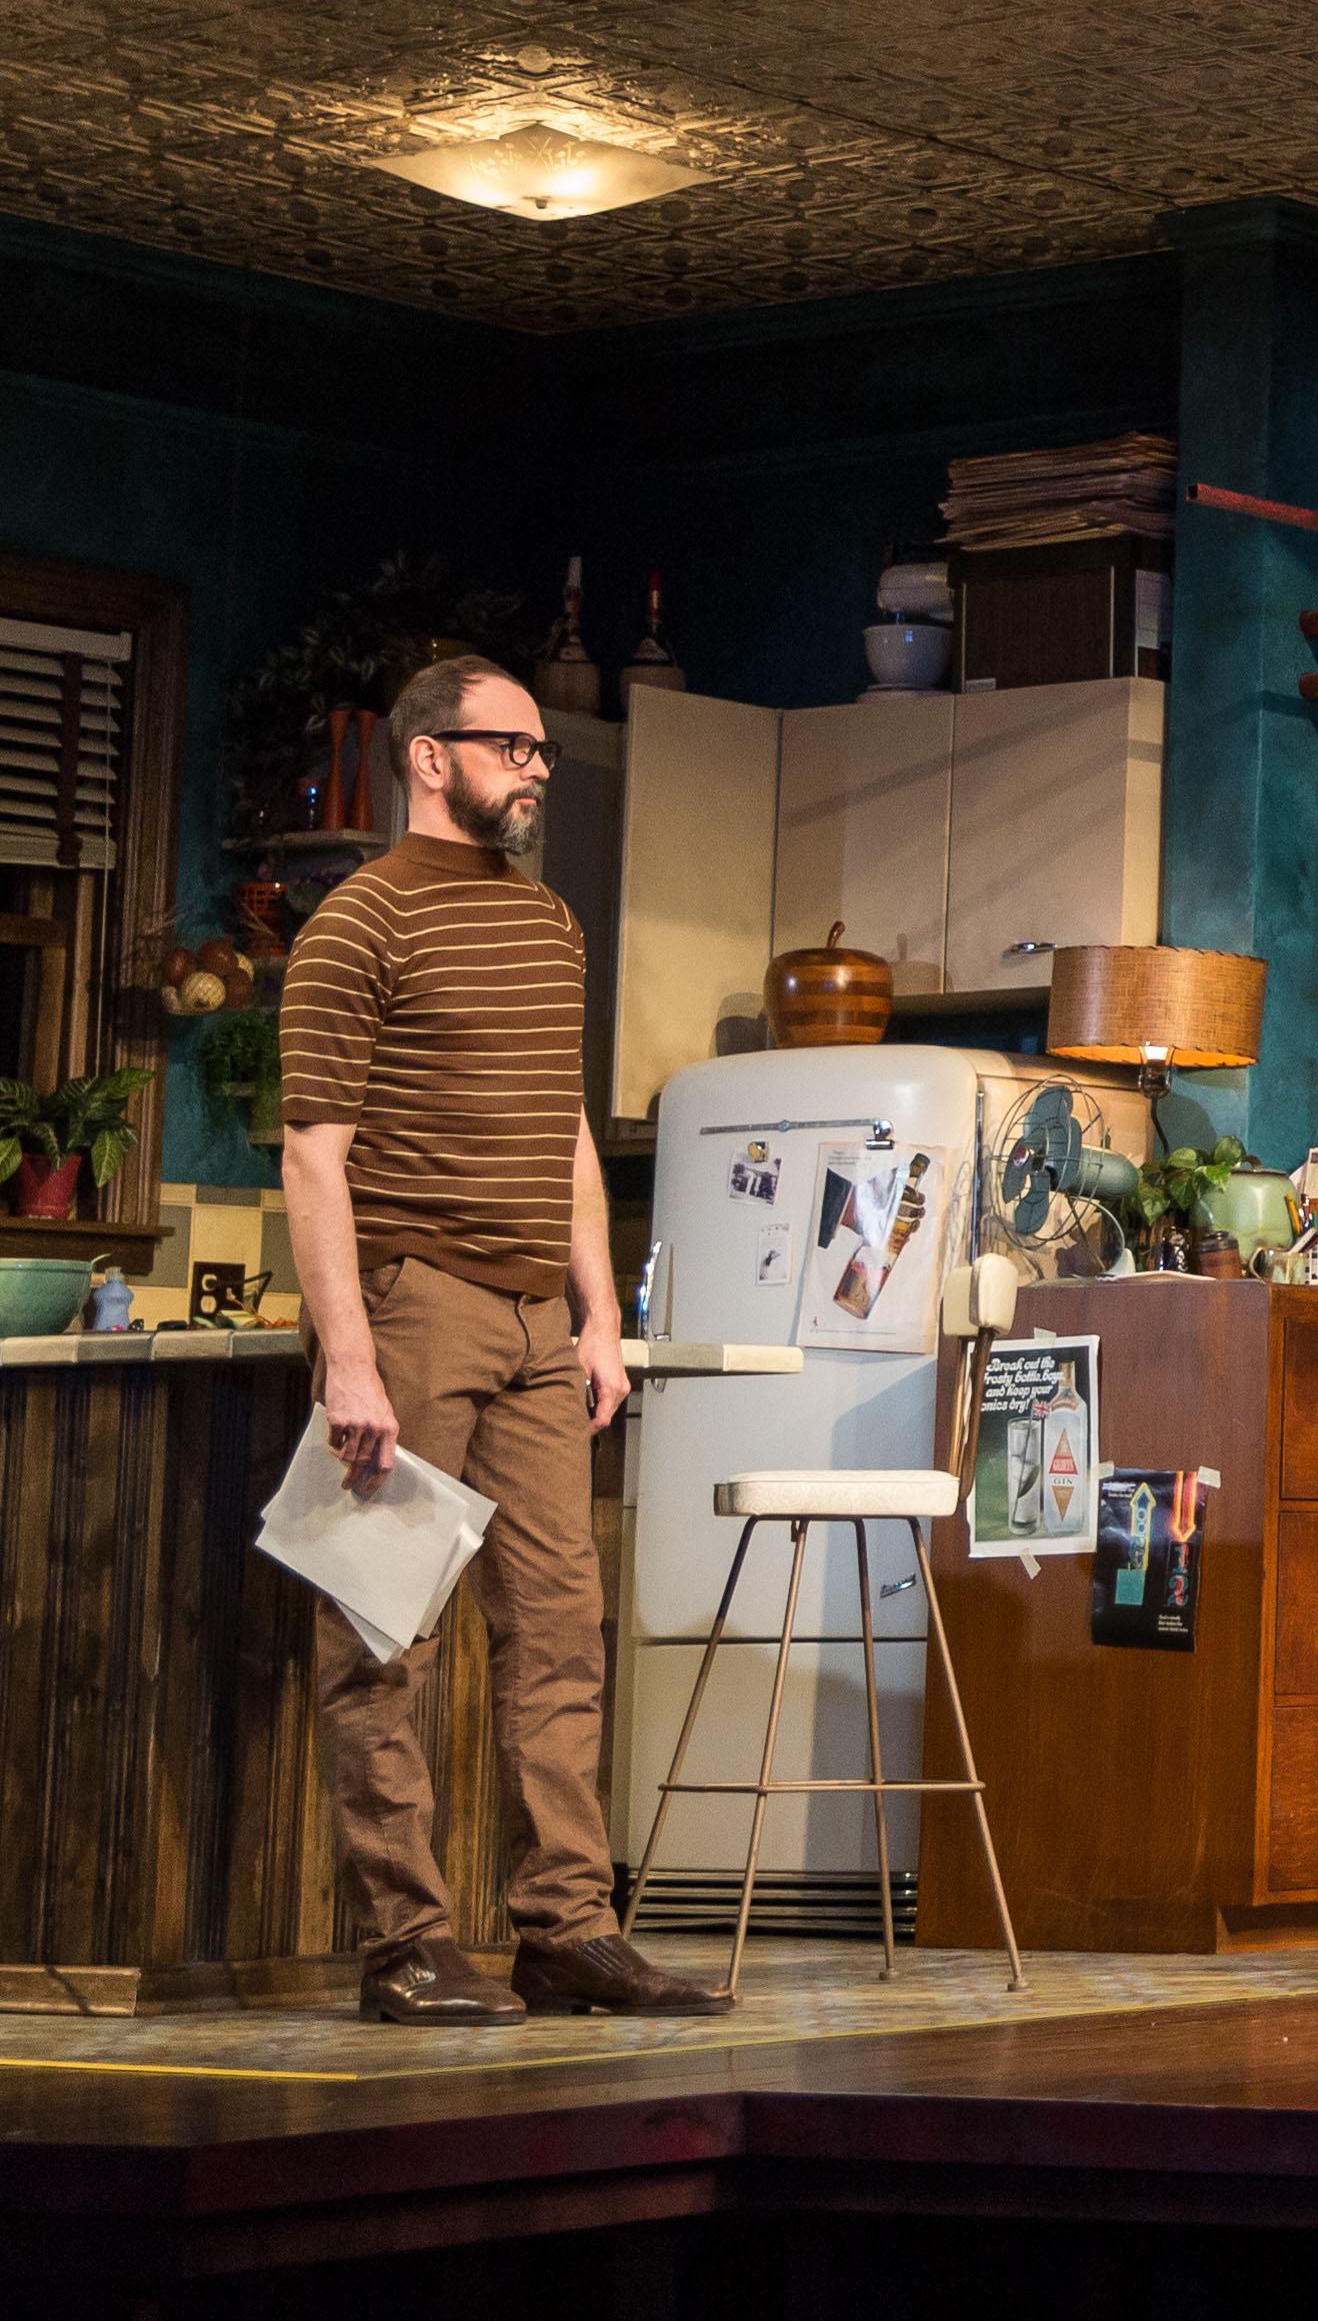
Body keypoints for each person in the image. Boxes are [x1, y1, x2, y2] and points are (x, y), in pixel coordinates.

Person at [282, 657, 726, 2025]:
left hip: (542, 1316)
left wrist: (601, 1310)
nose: (536, 767)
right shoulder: (354, 925)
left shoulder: (548, 926)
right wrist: (349, 1353)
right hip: (414, 1300)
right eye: (512, 746)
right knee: (377, 1621)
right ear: (430, 756)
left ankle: (568, 1927)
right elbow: (314, 1150)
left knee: (558, 1627)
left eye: (538, 749)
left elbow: (565, 1133)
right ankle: (402, 1938)